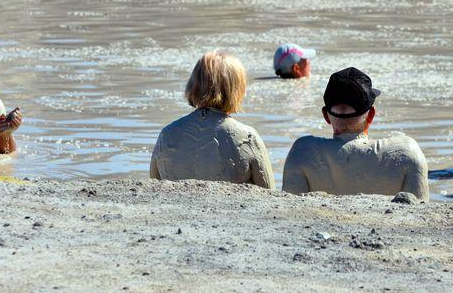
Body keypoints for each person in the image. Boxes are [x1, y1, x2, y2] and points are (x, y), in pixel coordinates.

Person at [282, 67, 429, 200]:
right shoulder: (408, 152)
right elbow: (421, 211)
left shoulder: (302, 152)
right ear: (371, 115)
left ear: (326, 116)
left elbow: (290, 210)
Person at [150, 51, 274, 187]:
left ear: (194, 84)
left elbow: (154, 186)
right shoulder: (248, 137)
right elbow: (269, 195)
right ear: (236, 89)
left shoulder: (167, 134)